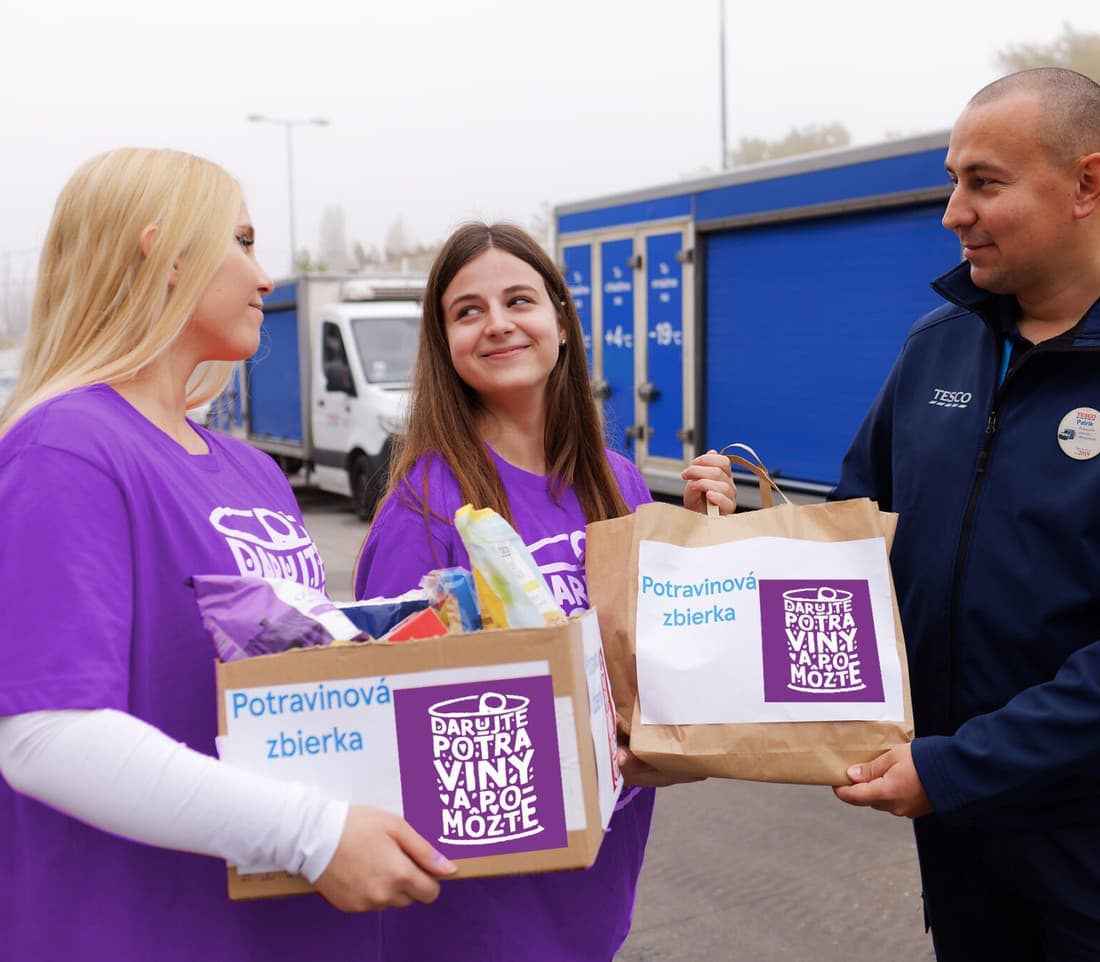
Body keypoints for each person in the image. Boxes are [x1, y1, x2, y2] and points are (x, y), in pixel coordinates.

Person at [830, 68, 1100, 961]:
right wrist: (734, 535)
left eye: (984, 182)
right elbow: (852, 538)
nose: (953, 212)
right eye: (954, 181)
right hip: (964, 824)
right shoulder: (938, 346)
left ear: (1086, 184)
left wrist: (958, 767)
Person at [0, 148, 457, 962]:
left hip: (291, 929)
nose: (265, 277)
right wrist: (313, 833)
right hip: (145, 932)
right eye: (242, 242)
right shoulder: (67, 448)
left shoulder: (251, 469)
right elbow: (44, 735)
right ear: (165, 257)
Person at [355, 221, 735, 961]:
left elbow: (651, 660)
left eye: (519, 300)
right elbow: (391, 730)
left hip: (599, 878)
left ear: (561, 321)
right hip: (478, 910)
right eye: (468, 311)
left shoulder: (615, 481)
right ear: (445, 343)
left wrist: (698, 544)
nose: (497, 323)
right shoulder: (424, 509)